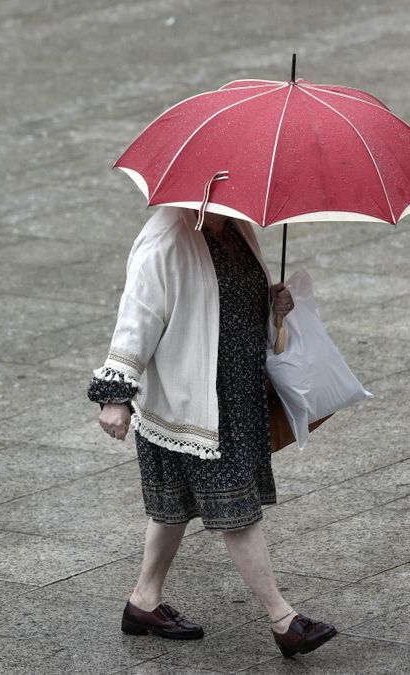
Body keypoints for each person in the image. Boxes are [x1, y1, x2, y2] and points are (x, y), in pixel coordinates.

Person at [87, 205, 337, 658]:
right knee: (237, 512)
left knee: (172, 508)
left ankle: (143, 601)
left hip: (237, 399)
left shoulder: (237, 228)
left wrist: (272, 307)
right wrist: (115, 395)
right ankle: (283, 620)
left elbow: (234, 308)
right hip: (189, 405)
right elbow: (136, 316)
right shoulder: (164, 237)